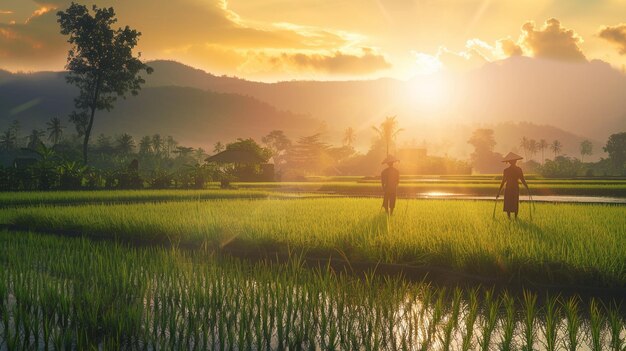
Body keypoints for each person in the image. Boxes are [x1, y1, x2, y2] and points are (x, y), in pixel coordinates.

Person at [497, 152, 529, 219]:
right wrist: (527, 187)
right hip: (514, 188)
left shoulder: (506, 170)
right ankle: (515, 218)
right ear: (515, 161)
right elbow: (522, 180)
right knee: (514, 202)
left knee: (508, 202)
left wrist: (499, 191)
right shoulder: (518, 169)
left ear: (509, 162)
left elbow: (503, 181)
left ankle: (509, 218)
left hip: (509, 188)